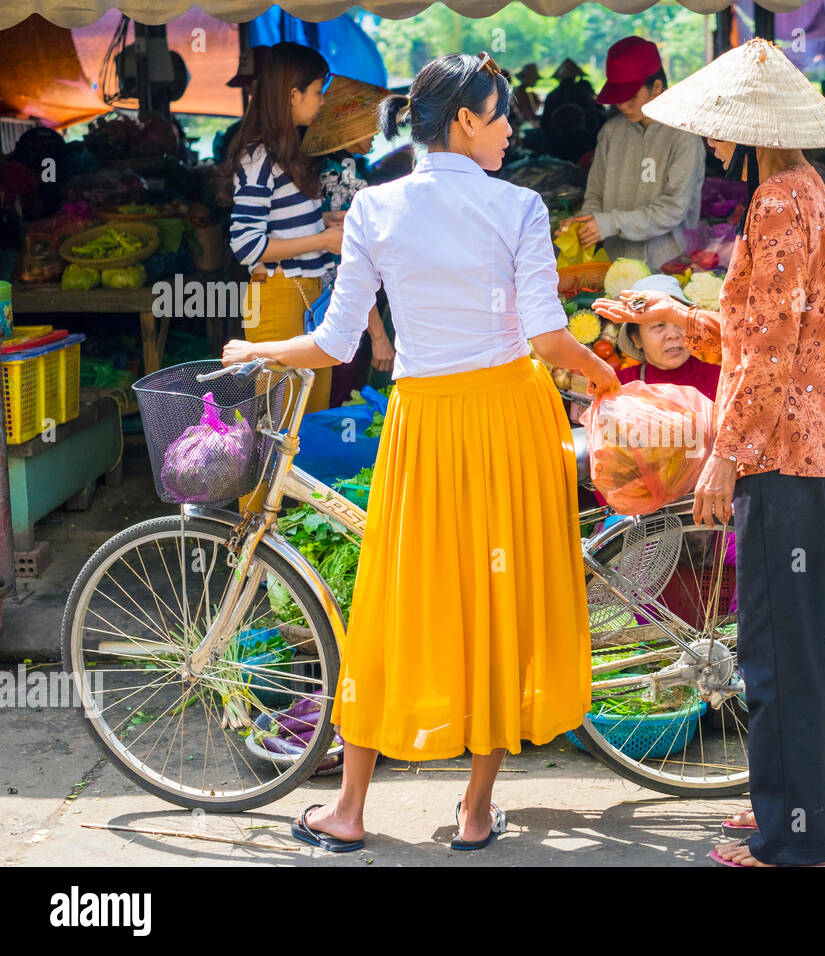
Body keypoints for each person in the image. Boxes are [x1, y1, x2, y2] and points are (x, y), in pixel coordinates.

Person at [222, 51, 619, 853]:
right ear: (466, 120)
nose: (511, 127)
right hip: (511, 420)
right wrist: (604, 371)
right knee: (499, 605)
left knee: (395, 602)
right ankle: (474, 813)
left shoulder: (373, 207)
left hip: (426, 425)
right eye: (501, 113)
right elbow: (547, 336)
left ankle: (350, 811)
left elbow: (337, 343)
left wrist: (253, 351)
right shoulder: (518, 207)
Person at [596, 38, 825, 866]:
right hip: (822, 454)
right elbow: (774, 326)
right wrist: (687, 318)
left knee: (778, 656)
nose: (711, 141)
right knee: (796, 650)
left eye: (720, 128)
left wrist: (726, 455)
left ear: (751, 131)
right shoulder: (805, 191)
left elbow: (776, 351)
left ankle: (797, 839)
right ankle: (793, 812)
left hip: (786, 457)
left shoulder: (779, 201)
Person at [218, 41, 342, 414]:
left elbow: (283, 225)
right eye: (317, 92)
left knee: (310, 419)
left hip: (307, 296)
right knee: (283, 424)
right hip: (276, 298)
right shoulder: (258, 157)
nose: (321, 102)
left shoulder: (287, 151)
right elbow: (247, 245)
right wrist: (322, 239)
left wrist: (324, 223)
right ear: (293, 94)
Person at [556, 37, 706, 272]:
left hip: (669, 263)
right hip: (613, 261)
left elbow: (672, 210)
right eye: (618, 96)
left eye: (631, 96)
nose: (622, 105)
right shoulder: (611, 132)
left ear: (657, 87)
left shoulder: (683, 136)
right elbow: (595, 195)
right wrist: (583, 225)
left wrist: (609, 223)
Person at [301, 74, 399, 394]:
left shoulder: (325, 166)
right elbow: (352, 258)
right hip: (338, 301)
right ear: (349, 129)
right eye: (370, 125)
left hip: (320, 295)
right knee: (339, 390)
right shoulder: (344, 173)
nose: (377, 133)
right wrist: (379, 336)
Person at [615, 275, 720, 398]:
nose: (673, 335)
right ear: (636, 339)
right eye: (658, 325)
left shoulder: (720, 380)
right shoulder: (621, 387)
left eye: (680, 322)